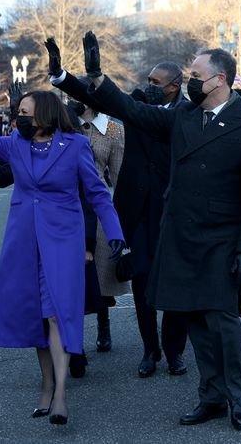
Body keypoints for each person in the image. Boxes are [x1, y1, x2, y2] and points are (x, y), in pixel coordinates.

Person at [49, 34, 241, 430]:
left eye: (197, 75)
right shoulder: (184, 117)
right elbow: (129, 109)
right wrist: (87, 78)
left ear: (220, 79)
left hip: (223, 239)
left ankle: (237, 397)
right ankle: (211, 397)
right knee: (195, 322)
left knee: (222, 324)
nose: (192, 80)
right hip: (181, 237)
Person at [0, 65, 125, 426]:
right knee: (37, 315)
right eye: (18, 113)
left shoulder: (74, 146)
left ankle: (59, 395)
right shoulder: (15, 145)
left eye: (24, 113)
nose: (18, 118)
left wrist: (114, 232)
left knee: (59, 312)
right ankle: (45, 384)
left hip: (63, 240)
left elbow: (98, 193)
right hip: (23, 240)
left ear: (44, 115)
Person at [57, 63, 190, 378]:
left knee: (175, 287)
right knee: (143, 284)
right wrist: (63, 78)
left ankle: (174, 352)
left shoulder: (189, 112)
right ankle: (150, 350)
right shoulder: (138, 109)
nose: (150, 85)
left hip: (176, 213)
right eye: (148, 80)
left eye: (156, 81)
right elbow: (103, 100)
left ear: (175, 84)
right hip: (140, 211)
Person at [69, 98, 126, 353]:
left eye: (76, 95)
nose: (71, 100)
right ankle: (71, 336)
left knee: (100, 273)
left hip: (98, 203)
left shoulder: (113, 128)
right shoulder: (65, 123)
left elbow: (118, 175)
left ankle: (104, 325)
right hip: (68, 202)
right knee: (70, 277)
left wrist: (123, 217)